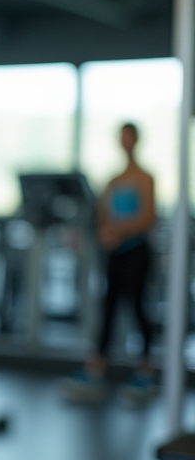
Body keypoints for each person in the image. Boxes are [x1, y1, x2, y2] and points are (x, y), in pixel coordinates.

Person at [62, 122, 156, 405]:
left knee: (138, 307)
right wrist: (106, 231)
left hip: (137, 251)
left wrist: (120, 231)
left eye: (129, 138)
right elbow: (102, 216)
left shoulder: (145, 178)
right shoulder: (113, 180)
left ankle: (145, 369)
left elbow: (147, 217)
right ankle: (96, 368)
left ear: (136, 141)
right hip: (115, 253)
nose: (125, 142)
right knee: (109, 307)